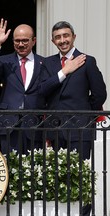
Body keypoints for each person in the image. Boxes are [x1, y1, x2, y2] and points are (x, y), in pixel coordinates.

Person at [39, 21, 107, 216]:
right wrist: (65, 71)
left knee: (81, 176)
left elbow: (99, 95)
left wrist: (84, 116)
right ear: (53, 41)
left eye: (66, 36)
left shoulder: (88, 61)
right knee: (58, 176)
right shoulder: (49, 63)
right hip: (55, 130)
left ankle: (83, 214)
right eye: (58, 37)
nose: (63, 40)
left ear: (74, 37)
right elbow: (42, 90)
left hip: (80, 130)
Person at [0, 19, 45, 154]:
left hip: (35, 124)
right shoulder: (4, 60)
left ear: (34, 41)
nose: (21, 44)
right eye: (17, 41)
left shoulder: (43, 62)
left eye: (25, 40)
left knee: (34, 168)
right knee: (10, 166)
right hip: (8, 123)